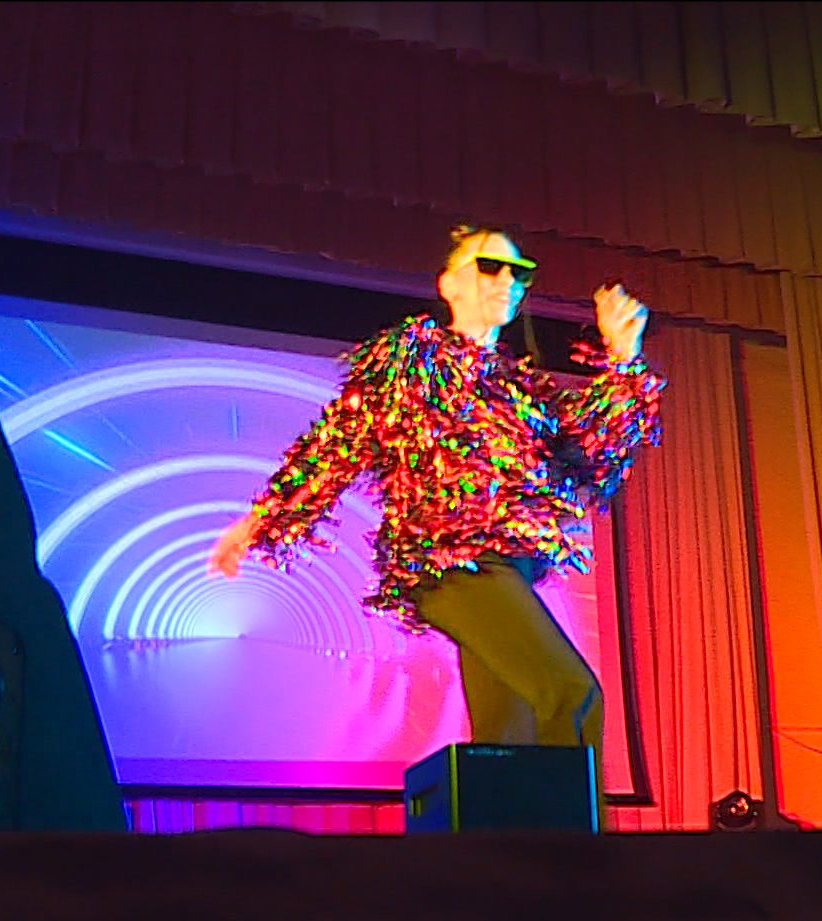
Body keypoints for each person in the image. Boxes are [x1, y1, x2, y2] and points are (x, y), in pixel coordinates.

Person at [208, 224, 664, 795]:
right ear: (450, 284)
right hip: (451, 565)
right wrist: (260, 520)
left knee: (511, 732)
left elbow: (590, 451)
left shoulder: (517, 387)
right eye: (490, 266)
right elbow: (339, 441)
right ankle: (570, 845)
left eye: (519, 272)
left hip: (509, 568)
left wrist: (625, 356)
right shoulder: (412, 356)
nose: (508, 281)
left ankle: (505, 842)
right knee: (572, 693)